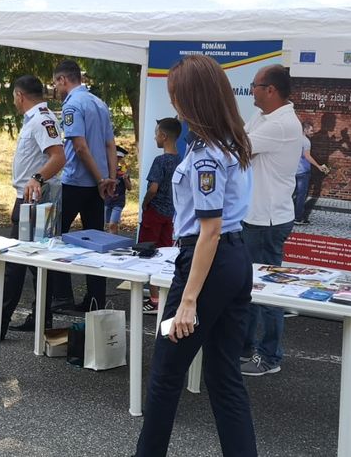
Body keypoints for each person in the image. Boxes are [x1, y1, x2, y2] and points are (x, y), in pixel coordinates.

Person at [134, 55, 256, 456]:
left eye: (176, 95)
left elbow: (210, 229)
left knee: (166, 374)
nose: (174, 104)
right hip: (234, 259)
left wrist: (188, 300)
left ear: (193, 99)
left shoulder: (206, 154)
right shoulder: (233, 142)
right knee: (224, 377)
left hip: (207, 263)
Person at [0, 75, 65, 339]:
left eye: (13, 97)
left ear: (20, 95)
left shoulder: (41, 120)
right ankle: (42, 319)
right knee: (35, 263)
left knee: (14, 263)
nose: (13, 102)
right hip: (31, 197)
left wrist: (37, 178)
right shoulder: (38, 118)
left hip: (34, 199)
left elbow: (58, 157)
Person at [240, 64, 303, 377]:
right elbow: (243, 144)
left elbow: (239, 149)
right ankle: (245, 349)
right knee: (248, 287)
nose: (251, 90)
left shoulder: (281, 124)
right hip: (256, 216)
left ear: (271, 90)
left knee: (267, 291)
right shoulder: (263, 116)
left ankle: (270, 357)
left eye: (254, 85)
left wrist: (243, 146)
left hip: (267, 220)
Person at [49, 60, 117, 312]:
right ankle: (95, 300)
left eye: (55, 83)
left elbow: (79, 147)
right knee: (96, 243)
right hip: (98, 186)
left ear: (63, 80)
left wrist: (100, 178)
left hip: (76, 181)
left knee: (55, 238)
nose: (56, 89)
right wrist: (110, 178)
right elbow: (110, 145)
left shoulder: (72, 105)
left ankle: (61, 296)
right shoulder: (99, 103)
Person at [139, 117, 182, 314]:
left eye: (156, 133)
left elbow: (153, 188)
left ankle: (154, 298)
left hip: (154, 212)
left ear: (163, 136)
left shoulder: (160, 161)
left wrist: (145, 202)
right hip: (170, 213)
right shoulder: (181, 160)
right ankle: (163, 296)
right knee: (165, 254)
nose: (155, 137)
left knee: (148, 253)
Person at [293, 121, 329, 225]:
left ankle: (287, 216)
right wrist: (318, 166)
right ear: (305, 130)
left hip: (293, 171)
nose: (313, 132)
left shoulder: (294, 139)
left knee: (291, 195)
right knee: (301, 196)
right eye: (311, 130)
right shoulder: (306, 141)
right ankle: (298, 218)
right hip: (303, 172)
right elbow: (307, 156)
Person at [104, 145, 131, 235]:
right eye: (115, 158)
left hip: (118, 202)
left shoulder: (123, 170)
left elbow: (129, 188)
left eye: (119, 158)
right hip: (106, 201)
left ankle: (113, 242)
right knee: (106, 224)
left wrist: (125, 179)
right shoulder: (105, 169)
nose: (116, 160)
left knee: (113, 224)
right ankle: (109, 240)